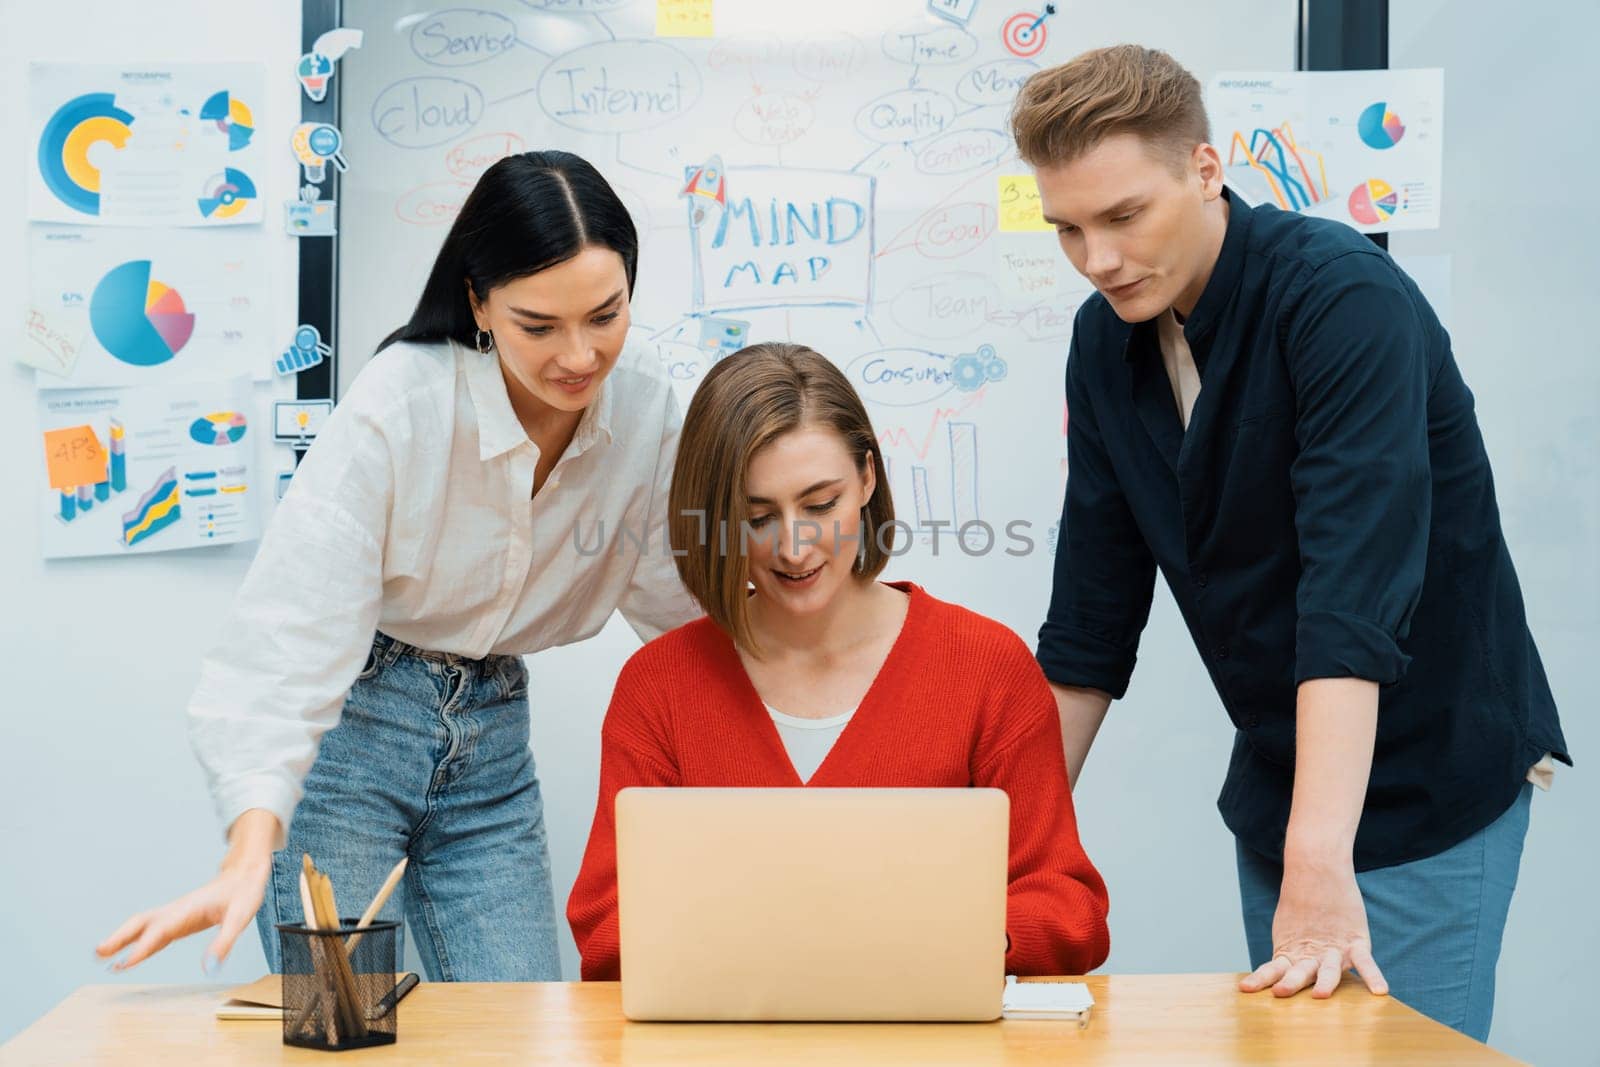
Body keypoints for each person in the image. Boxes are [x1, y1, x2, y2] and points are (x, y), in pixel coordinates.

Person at [1011, 45, 1569, 1040]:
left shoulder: (1337, 299)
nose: (1096, 259)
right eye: (1067, 229)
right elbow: (1089, 626)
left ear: (1203, 168)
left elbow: (1349, 603)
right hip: (1282, 783)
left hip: (1425, 777)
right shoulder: (1106, 342)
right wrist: (1007, 852)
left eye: (1123, 215)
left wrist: (1320, 863)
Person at [95, 151, 699, 980]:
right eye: (539, 325)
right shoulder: (403, 403)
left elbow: (682, 602)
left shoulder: (645, 404)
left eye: (606, 314)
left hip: (493, 737)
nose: (580, 355)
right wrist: (249, 847)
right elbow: (287, 640)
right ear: (480, 302)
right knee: (346, 1024)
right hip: (356, 733)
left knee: (518, 1030)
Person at [566, 342, 1110, 981]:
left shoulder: (986, 667)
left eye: (820, 504)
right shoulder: (658, 687)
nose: (794, 546)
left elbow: (1068, 908)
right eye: (757, 515)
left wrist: (943, 943)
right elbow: (606, 926)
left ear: (867, 481)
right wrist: (811, 946)